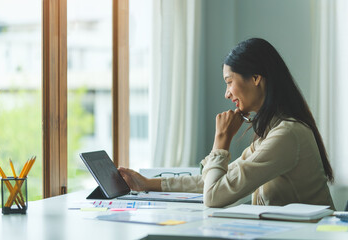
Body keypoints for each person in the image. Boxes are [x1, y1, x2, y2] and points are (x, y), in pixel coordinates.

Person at [119, 38, 335, 209]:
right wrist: (147, 183)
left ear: (256, 77)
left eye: (230, 82)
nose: (227, 93)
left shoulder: (287, 134)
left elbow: (214, 196)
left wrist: (221, 140)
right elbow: (216, 181)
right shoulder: (272, 134)